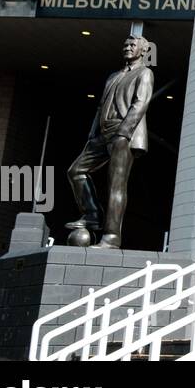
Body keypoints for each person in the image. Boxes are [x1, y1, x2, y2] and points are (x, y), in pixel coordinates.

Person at [66, 35, 153, 249]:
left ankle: (111, 237)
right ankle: (92, 214)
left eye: (133, 45)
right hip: (102, 133)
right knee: (75, 171)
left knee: (116, 186)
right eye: (125, 44)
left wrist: (124, 132)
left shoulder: (145, 73)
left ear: (143, 51)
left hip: (123, 132)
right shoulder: (113, 76)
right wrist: (92, 134)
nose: (127, 48)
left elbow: (141, 103)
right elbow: (100, 106)